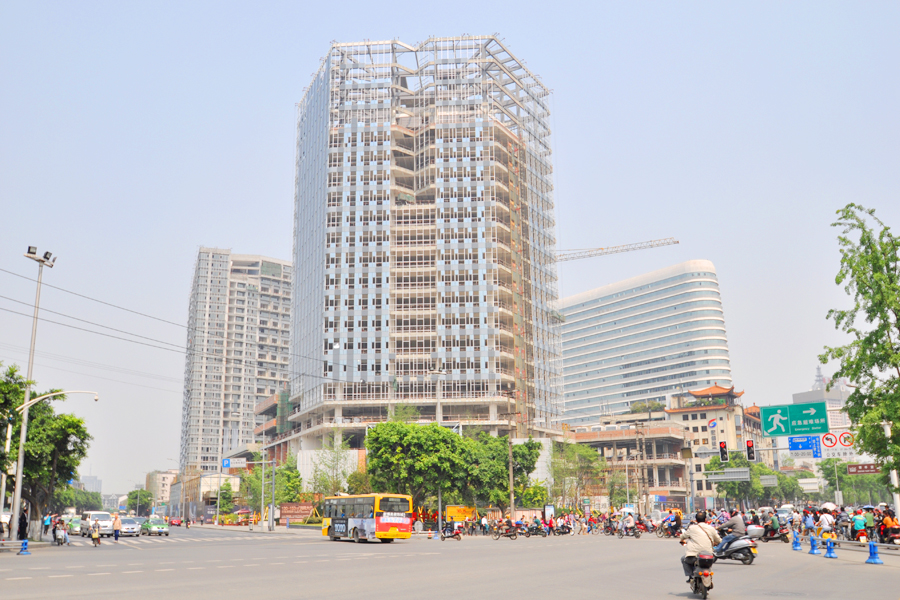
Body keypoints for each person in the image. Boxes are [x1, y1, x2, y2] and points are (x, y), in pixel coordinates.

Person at [680, 511, 721, 582]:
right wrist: (714, 543)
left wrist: (683, 539)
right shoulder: (711, 528)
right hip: (709, 556)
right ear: (705, 519)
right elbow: (719, 540)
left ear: (696, 520)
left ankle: (691, 577)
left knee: (683, 559)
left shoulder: (692, 528)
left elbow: (682, 536)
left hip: (693, 556)